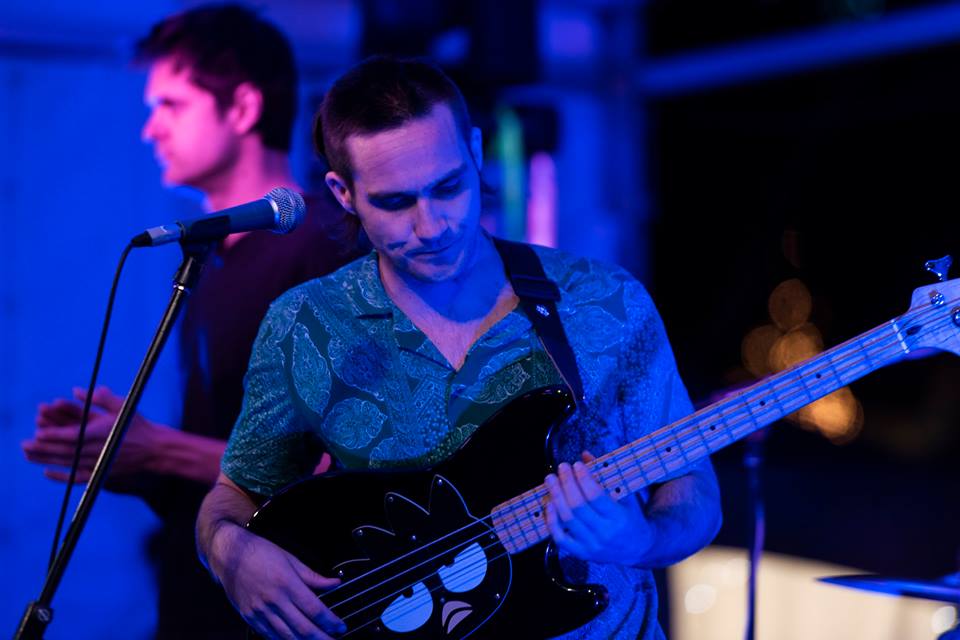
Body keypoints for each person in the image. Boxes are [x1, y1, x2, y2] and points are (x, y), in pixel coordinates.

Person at [195, 55, 722, 639]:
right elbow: (236, 492)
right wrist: (229, 552)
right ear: (343, 193)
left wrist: (641, 540)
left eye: (449, 187)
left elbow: (691, 488)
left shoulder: (605, 299)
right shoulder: (305, 323)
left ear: (473, 150)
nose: (432, 226)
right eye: (395, 202)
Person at [21, 5, 366, 638]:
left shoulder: (323, 247)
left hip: (285, 610)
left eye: (172, 105)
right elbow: (231, 445)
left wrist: (163, 448)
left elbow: (348, 468)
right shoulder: (208, 256)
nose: (151, 129)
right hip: (201, 595)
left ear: (243, 107)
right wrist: (131, 457)